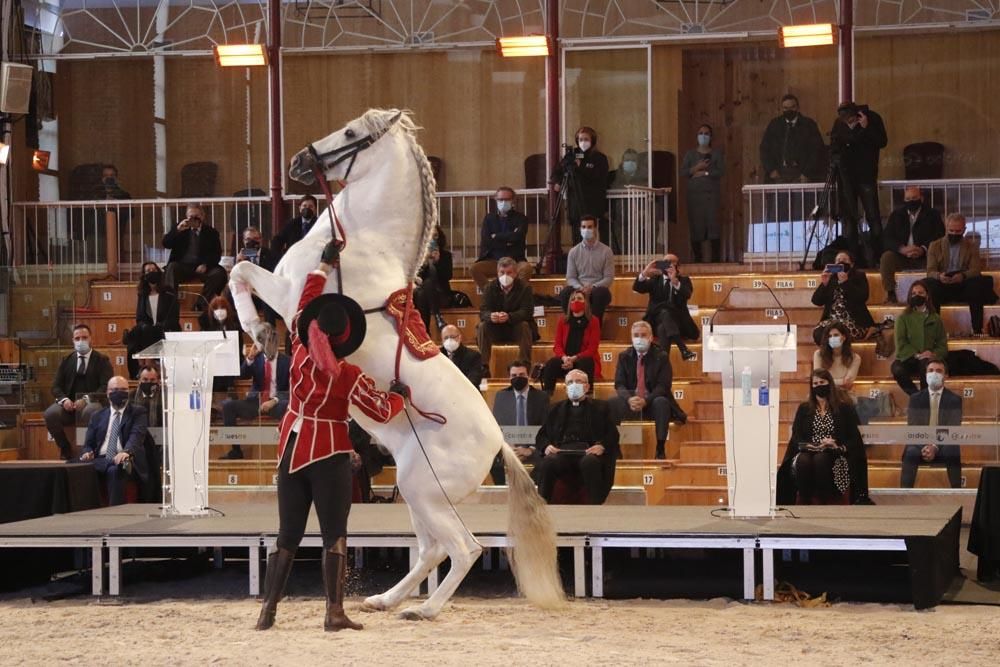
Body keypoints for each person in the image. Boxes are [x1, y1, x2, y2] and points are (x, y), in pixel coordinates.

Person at [251, 242, 406, 632]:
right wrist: (401, 397)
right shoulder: (348, 376)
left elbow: (307, 299)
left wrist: (323, 264)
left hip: (291, 448)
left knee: (287, 535)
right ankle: (334, 612)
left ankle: (268, 610)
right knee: (334, 534)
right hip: (329, 451)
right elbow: (380, 411)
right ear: (345, 339)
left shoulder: (300, 349)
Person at [778, 369, 870, 505]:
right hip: (809, 450)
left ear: (829, 383)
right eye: (815, 383)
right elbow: (796, 434)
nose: (818, 385)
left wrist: (837, 446)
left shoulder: (843, 408)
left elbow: (854, 438)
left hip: (835, 452)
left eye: (822, 382)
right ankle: (805, 499)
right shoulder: (804, 408)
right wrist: (807, 445)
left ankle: (824, 499)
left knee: (821, 459)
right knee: (803, 460)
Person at [534, 369, 620, 505]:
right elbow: (541, 436)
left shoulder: (601, 407)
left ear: (587, 386)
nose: (574, 385)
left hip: (588, 452)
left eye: (578, 382)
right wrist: (546, 447)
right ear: (565, 387)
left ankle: (595, 507)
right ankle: (542, 507)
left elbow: (613, 434)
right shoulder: (554, 409)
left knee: (590, 463)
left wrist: (601, 446)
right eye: (570, 382)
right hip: (562, 452)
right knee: (548, 463)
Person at [44, 324, 114, 460]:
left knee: (90, 411)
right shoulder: (66, 360)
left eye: (84, 337)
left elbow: (106, 386)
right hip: (69, 406)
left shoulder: (102, 360)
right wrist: (64, 400)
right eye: (77, 338)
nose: (81, 341)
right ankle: (65, 448)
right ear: (73, 340)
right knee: (50, 414)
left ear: (91, 339)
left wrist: (86, 399)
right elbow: (55, 387)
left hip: (93, 402)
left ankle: (89, 449)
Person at [830, 102, 888, 264]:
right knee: (848, 219)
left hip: (866, 175)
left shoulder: (873, 118)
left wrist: (866, 128)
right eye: (845, 121)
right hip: (846, 176)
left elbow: (882, 141)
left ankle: (877, 257)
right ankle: (852, 257)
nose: (848, 123)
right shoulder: (839, 124)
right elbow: (835, 145)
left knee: (873, 217)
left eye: (850, 120)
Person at [79, 376, 150, 506]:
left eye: (123, 389)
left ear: (128, 392)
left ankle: (115, 513)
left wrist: (126, 451)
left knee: (115, 470)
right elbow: (88, 444)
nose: (119, 392)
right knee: (74, 466)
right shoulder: (97, 416)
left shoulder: (138, 413)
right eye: (115, 389)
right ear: (107, 393)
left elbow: (136, 436)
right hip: (100, 458)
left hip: (126, 459)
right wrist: (87, 452)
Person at [925, 213, 998, 335]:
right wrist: (940, 276)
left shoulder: (971, 246)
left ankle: (977, 329)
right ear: (946, 228)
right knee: (928, 285)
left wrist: (963, 276)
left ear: (964, 230)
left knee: (978, 283)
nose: (954, 234)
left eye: (957, 231)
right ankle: (935, 331)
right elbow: (930, 271)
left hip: (964, 284)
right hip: (943, 284)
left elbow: (975, 270)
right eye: (951, 230)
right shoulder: (935, 245)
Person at [608, 321, 673, 460]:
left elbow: (663, 386)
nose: (639, 338)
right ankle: (615, 448)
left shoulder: (661, 356)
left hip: (651, 402)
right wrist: (629, 399)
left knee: (662, 402)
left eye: (643, 335)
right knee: (611, 403)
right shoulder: (624, 356)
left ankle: (660, 448)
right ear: (631, 338)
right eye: (636, 335)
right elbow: (619, 384)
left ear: (651, 337)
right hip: (631, 402)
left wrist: (646, 400)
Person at [219, 346, 291, 460]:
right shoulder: (256, 359)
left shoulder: (287, 361)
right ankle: (236, 451)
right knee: (228, 406)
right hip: (255, 402)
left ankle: (288, 453)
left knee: (290, 407)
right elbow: (242, 375)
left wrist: (274, 400)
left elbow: (291, 389)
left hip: (277, 403)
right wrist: (250, 357)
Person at [902, 359, 962, 489]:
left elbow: (952, 429)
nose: (934, 374)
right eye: (931, 370)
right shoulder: (915, 399)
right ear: (925, 374)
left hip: (943, 445)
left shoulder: (955, 400)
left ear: (946, 376)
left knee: (953, 449)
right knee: (911, 451)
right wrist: (925, 446)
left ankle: (957, 494)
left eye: (939, 371)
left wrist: (934, 446)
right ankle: (904, 496)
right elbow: (913, 428)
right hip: (920, 444)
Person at [878, 186, 945, 304]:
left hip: (926, 256)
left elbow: (939, 236)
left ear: (921, 198)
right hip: (902, 256)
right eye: (908, 199)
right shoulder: (896, 215)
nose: (911, 201)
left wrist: (922, 249)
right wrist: (902, 249)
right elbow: (887, 238)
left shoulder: (932, 214)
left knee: (939, 259)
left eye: (914, 198)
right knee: (886, 258)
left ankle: (933, 295)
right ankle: (891, 293)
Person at [489, 360, 550, 484]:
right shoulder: (501, 396)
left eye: (522, 375)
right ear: (509, 377)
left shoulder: (541, 396)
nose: (518, 378)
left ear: (528, 376)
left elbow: (546, 426)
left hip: (534, 446)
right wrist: (508, 447)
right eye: (514, 376)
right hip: (509, 446)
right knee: (491, 461)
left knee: (547, 462)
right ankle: (503, 493)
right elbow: (497, 426)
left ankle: (531, 491)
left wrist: (530, 449)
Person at [549, 126, 610, 244]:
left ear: (592, 140)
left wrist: (580, 167)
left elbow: (598, 176)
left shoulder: (599, 158)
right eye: (580, 139)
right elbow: (558, 171)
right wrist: (558, 182)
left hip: (592, 204)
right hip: (575, 205)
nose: (583, 142)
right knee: (577, 237)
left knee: (592, 236)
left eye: (586, 139)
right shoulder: (572, 156)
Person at [634, 253, 698, 359]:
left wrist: (675, 282)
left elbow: (687, 295)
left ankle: (663, 363)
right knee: (664, 314)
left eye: (672, 262)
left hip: (678, 323)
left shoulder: (684, 281)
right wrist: (645, 273)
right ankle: (683, 349)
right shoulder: (655, 280)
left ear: (678, 266)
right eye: (665, 262)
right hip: (655, 321)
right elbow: (638, 288)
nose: (668, 265)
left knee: (663, 327)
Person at [162, 204, 227, 309]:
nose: (193, 219)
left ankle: (201, 304)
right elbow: (166, 244)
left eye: (196, 216)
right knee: (172, 268)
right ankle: (169, 304)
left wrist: (206, 264)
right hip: (183, 266)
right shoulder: (180, 229)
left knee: (219, 273)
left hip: (203, 267)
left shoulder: (211, 232)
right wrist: (177, 230)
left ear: (202, 216)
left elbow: (216, 254)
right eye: (190, 217)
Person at [891, 280, 948, 396]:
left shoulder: (936, 318)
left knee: (927, 365)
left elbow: (942, 344)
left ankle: (926, 396)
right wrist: (917, 354)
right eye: (914, 293)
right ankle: (916, 396)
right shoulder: (903, 318)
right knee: (896, 369)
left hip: (929, 358)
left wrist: (933, 354)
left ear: (927, 296)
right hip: (908, 358)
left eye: (920, 293)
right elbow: (900, 343)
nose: (917, 295)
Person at [476, 257, 533, 371]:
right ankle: (483, 367)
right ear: (497, 273)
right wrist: (490, 316)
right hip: (495, 327)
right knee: (482, 326)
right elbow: (483, 311)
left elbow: (526, 312)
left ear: (515, 274)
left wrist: (509, 317)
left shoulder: (525, 288)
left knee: (525, 326)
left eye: (509, 273)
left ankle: (524, 366)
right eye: (502, 272)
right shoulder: (489, 287)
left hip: (515, 327)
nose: (505, 276)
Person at [125, 261, 180, 380]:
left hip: (165, 329)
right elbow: (139, 317)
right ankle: (143, 370)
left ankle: (150, 368)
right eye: (148, 271)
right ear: (144, 276)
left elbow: (174, 316)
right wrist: (145, 326)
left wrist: (160, 326)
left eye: (153, 270)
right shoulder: (143, 294)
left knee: (152, 332)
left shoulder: (168, 291)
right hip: (148, 331)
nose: (151, 273)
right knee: (140, 333)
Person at [470, 187, 533, 289]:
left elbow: (518, 237)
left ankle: (515, 295)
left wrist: (497, 236)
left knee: (527, 269)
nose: (503, 202)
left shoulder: (521, 218)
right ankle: (492, 294)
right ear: (496, 200)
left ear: (513, 201)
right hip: (494, 260)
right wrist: (508, 240)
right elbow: (487, 241)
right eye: (500, 199)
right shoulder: (489, 218)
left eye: (507, 199)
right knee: (474, 269)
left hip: (515, 260)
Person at [541, 289, 601, 393]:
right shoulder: (563, 320)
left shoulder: (593, 321)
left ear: (586, 302)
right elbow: (557, 345)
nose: (575, 301)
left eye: (579, 299)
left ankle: (588, 397)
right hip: (565, 361)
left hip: (582, 361)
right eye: (573, 299)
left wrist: (574, 358)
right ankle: (546, 398)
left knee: (586, 362)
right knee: (551, 364)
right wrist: (564, 358)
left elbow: (592, 349)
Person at [681, 124, 724, 263]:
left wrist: (704, 172)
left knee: (713, 226)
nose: (703, 136)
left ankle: (715, 261)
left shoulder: (716, 154)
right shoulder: (690, 154)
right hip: (694, 197)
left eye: (706, 133)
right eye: (700, 133)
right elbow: (683, 172)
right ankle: (697, 260)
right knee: (696, 227)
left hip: (712, 197)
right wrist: (696, 168)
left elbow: (720, 171)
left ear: (710, 137)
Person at [811, 249, 874, 345]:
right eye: (838, 260)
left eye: (844, 260)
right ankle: (831, 356)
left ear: (851, 264)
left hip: (854, 321)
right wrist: (824, 284)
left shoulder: (859, 276)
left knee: (839, 334)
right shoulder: (831, 278)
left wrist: (845, 283)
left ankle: (840, 356)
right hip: (831, 321)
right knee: (819, 333)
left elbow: (862, 297)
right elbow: (816, 301)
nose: (841, 262)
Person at [759, 94, 826, 184]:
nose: (789, 110)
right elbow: (764, 149)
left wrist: (807, 173)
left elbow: (817, 150)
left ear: (798, 108)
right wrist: (771, 169)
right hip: (779, 174)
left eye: (792, 107)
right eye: (785, 108)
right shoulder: (774, 125)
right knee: (780, 198)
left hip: (802, 174)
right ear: (782, 109)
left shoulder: (808, 125)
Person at [560, 215, 614, 321]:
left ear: (595, 229)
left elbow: (608, 278)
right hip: (579, 289)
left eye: (590, 227)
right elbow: (570, 277)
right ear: (580, 229)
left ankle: (595, 329)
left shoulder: (606, 251)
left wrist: (593, 287)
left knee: (600, 293)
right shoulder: (573, 252)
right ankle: (572, 326)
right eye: (583, 227)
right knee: (565, 293)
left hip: (598, 289)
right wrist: (580, 288)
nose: (586, 230)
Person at [414, 225, 453, 333]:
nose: (432, 239)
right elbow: (417, 278)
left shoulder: (446, 255)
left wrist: (437, 262)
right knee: (423, 290)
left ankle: (425, 332)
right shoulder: (419, 256)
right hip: (425, 295)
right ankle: (437, 316)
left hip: (441, 294)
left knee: (424, 291)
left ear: (439, 237)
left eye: (435, 236)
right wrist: (425, 262)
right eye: (430, 236)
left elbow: (448, 276)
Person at [812, 322, 861, 391]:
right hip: (825, 393)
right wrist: (841, 382)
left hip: (845, 395)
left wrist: (827, 381)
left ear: (843, 337)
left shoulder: (855, 358)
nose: (832, 338)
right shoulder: (818, 354)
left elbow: (848, 383)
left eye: (836, 335)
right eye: (830, 336)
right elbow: (818, 380)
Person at [272, 195, 319, 259]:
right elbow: (277, 240)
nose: (307, 208)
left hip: (313, 259)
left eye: (310, 206)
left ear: (315, 209)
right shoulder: (292, 224)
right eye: (304, 206)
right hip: (294, 259)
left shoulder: (319, 224)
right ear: (300, 208)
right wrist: (280, 257)